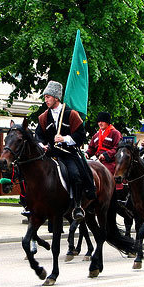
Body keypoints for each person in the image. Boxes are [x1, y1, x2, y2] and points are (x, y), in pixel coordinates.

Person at [35, 80, 96, 221]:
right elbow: (38, 135)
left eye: (48, 97)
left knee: (75, 174)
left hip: (68, 154)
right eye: (45, 97)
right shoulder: (43, 117)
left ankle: (77, 205)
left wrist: (64, 139)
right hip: (51, 153)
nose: (46, 100)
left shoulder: (71, 114)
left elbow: (81, 136)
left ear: (56, 97)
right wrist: (41, 144)